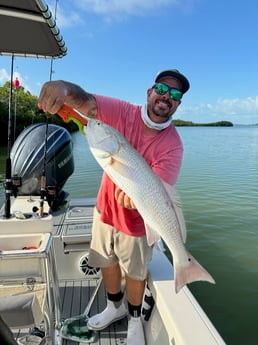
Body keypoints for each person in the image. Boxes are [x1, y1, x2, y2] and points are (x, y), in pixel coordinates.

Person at [38, 69, 190, 345]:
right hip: (105, 211)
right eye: (162, 89)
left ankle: (134, 320)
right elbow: (86, 103)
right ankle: (113, 307)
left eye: (175, 95)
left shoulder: (173, 147)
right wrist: (63, 89)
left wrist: (133, 200)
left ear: (178, 104)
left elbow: (158, 191)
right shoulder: (122, 112)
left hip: (139, 223)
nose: (167, 97)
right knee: (106, 262)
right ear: (149, 92)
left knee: (135, 273)